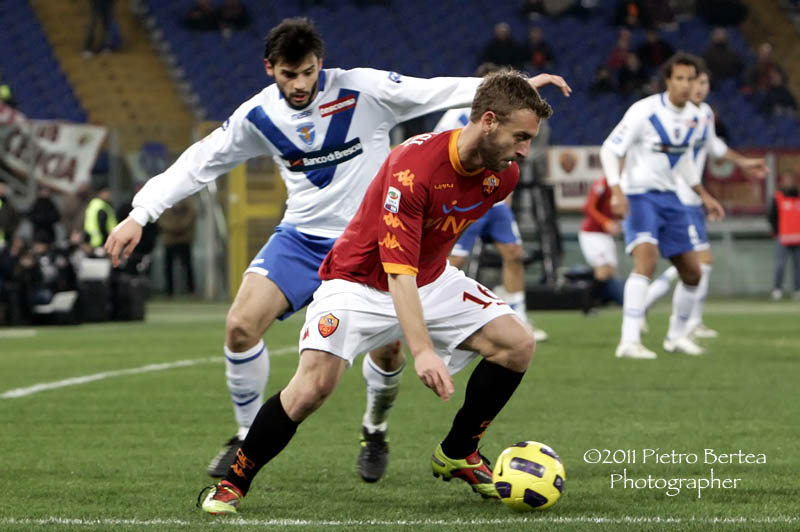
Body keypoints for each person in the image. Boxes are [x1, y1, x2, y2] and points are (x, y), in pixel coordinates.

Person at [104, 17, 571, 483]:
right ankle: (246, 435)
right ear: (270, 69)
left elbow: (429, 90)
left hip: (376, 237)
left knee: (390, 353)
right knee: (241, 327)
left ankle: (375, 428)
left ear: (320, 64)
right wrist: (140, 213)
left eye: (308, 72)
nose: (300, 84)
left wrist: (509, 88)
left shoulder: (363, 90)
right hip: (302, 238)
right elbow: (200, 162)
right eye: (289, 75)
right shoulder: (258, 116)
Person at [198, 68, 555, 515]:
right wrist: (422, 350)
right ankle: (234, 482)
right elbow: (396, 270)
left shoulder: (502, 177)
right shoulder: (414, 167)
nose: (524, 150)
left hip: (430, 278)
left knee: (516, 344)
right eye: (520, 136)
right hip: (359, 282)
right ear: (487, 121)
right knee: (313, 387)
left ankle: (459, 451)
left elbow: (427, 254)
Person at [599, 52, 725, 360]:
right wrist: (617, 191)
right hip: (640, 195)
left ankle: (675, 336)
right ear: (668, 81)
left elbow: (680, 159)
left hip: (673, 198)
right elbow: (609, 149)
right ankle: (628, 341)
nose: (685, 85)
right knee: (647, 260)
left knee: (694, 273)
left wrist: (703, 194)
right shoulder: (645, 111)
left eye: (690, 79)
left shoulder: (695, 117)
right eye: (679, 78)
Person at [644, 65, 767, 335]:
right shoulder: (671, 113)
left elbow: (715, 147)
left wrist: (744, 163)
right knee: (701, 262)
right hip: (678, 195)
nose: (698, 88)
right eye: (694, 81)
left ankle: (665, 311)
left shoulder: (705, 114)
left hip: (694, 198)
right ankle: (684, 323)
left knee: (696, 264)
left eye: (704, 83)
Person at [433, 64, 548, 343]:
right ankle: (441, 319)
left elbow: (512, 154)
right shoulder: (456, 117)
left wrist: (505, 195)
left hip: (495, 203)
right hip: (464, 202)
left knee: (514, 253)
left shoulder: (509, 118)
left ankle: (520, 319)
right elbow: (438, 152)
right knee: (454, 261)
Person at [578, 177, 624, 306]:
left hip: (605, 235)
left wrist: (619, 221)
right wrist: (606, 222)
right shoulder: (602, 183)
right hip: (592, 233)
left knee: (611, 271)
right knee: (602, 271)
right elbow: (588, 207)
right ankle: (587, 305)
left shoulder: (623, 184)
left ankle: (601, 302)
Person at [768, 172, 800, 300]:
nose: (789, 184)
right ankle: (777, 289)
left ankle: (797, 289)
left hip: (798, 237)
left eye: (790, 181)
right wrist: (776, 232)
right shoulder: (778, 197)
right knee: (780, 265)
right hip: (783, 237)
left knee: (798, 266)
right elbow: (772, 216)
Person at [158, 198, 197, 296]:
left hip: (184, 239)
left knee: (187, 266)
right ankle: (169, 291)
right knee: (168, 267)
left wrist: (181, 226)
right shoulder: (165, 198)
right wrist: (174, 227)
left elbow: (192, 214)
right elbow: (161, 219)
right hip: (170, 240)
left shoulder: (187, 200)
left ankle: (191, 290)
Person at [84, 183, 117, 254]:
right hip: (101, 241)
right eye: (107, 192)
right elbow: (102, 225)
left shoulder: (93, 204)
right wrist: (107, 240)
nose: (109, 194)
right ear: (101, 193)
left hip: (92, 241)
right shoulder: (102, 206)